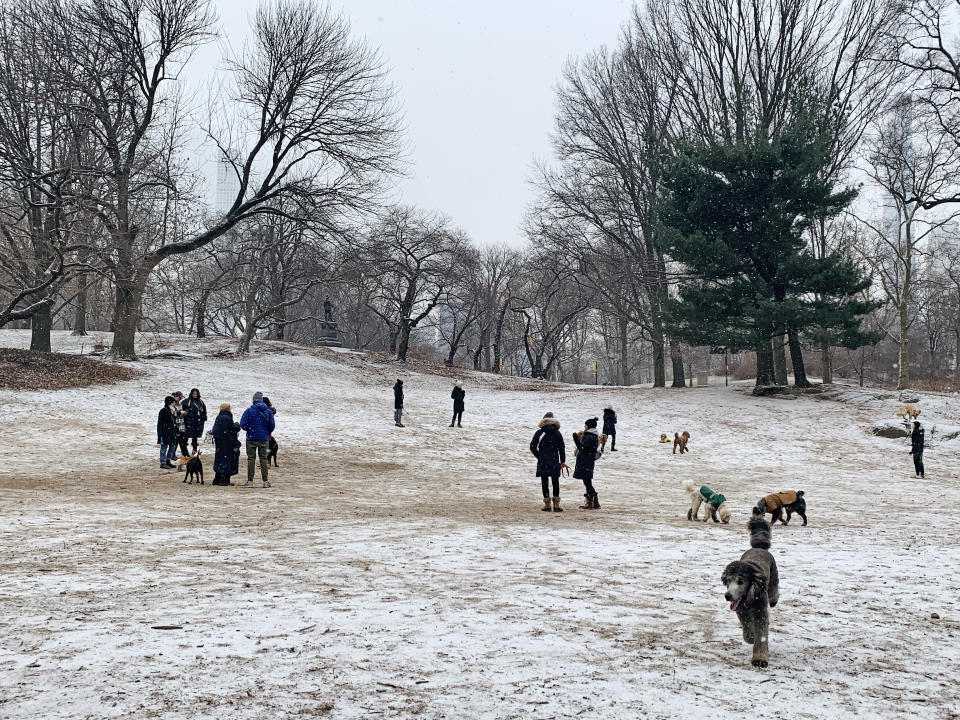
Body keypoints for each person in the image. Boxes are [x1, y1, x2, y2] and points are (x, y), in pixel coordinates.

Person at [530, 412, 567, 512]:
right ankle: (556, 505)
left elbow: (532, 447)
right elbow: (562, 448)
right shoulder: (557, 433)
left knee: (544, 482)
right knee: (555, 482)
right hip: (555, 460)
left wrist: (540, 456)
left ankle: (547, 505)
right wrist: (563, 461)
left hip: (543, 461)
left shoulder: (539, 433)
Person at [240, 391, 275, 488]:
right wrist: (266, 431)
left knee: (251, 459)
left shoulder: (248, 411)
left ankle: (250, 481)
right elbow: (272, 425)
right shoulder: (267, 411)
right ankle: (265, 481)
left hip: (251, 438)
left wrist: (249, 429)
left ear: (253, 400)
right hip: (263, 438)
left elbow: (242, 424)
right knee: (263, 459)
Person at [573, 417, 603, 509]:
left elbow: (582, 448)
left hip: (585, 461)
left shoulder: (589, 436)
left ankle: (594, 499)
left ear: (589, 427)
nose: (584, 427)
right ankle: (591, 502)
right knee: (587, 480)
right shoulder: (593, 436)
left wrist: (575, 439)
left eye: (585, 426)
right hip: (588, 461)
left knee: (587, 481)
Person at [211, 402, 241, 485]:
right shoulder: (227, 418)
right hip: (228, 443)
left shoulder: (219, 417)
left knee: (220, 459)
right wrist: (237, 425)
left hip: (220, 443)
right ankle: (225, 480)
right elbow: (233, 428)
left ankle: (217, 478)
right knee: (228, 460)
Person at [182, 388, 208, 452]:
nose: (194, 395)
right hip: (188, 422)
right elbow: (182, 410)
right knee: (186, 437)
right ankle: (184, 452)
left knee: (195, 437)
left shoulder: (201, 402)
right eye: (193, 393)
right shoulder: (186, 401)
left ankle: (194, 450)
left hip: (197, 422)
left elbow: (204, 411)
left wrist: (203, 418)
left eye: (196, 394)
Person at [156, 395, 178, 469]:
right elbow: (160, 423)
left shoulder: (173, 410)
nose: (175, 403)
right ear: (170, 402)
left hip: (172, 432)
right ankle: (163, 462)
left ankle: (168, 460)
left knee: (172, 446)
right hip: (165, 432)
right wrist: (160, 434)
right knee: (164, 447)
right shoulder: (163, 411)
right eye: (173, 402)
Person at [171, 391, 188, 456]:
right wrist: (180, 413)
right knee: (175, 442)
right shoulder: (172, 404)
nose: (180, 399)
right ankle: (172, 454)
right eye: (179, 397)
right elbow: (172, 414)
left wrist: (184, 413)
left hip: (181, 425)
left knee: (182, 441)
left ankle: (185, 454)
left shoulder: (180, 404)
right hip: (175, 425)